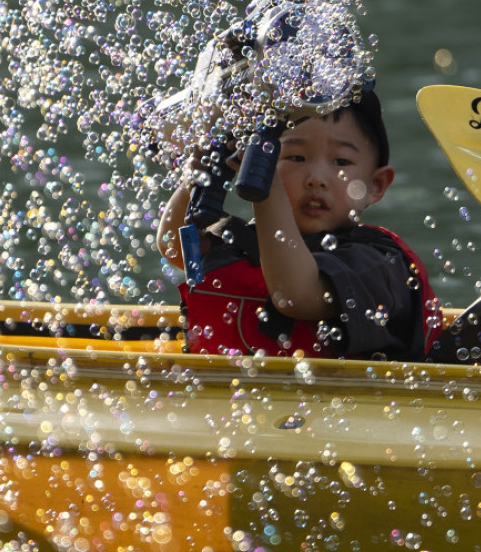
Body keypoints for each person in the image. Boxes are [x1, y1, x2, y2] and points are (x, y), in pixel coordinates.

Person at [157, 88, 441, 359]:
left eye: (341, 162)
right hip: (220, 389)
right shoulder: (239, 243)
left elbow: (293, 296)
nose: (316, 178)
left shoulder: (379, 265)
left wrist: (267, 186)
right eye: (296, 157)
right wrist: (198, 175)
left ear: (375, 185)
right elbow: (174, 245)